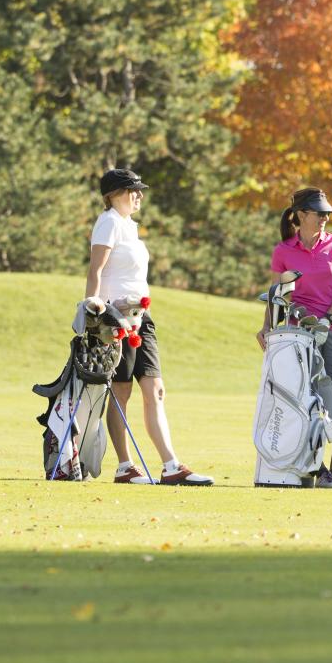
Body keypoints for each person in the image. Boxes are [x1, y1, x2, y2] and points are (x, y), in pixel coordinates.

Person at [87, 168, 214, 486]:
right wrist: (93, 308)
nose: (139, 195)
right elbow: (96, 270)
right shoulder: (109, 223)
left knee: (155, 390)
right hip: (115, 319)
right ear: (114, 194)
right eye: (133, 190)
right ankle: (125, 467)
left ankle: (171, 466)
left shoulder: (130, 226)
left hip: (142, 318)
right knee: (121, 391)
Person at [257, 188, 332, 489]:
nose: (325, 219)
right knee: (305, 404)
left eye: (327, 214)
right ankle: (320, 470)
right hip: (297, 335)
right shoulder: (283, 251)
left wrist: (327, 320)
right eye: (319, 213)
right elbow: (277, 295)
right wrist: (265, 327)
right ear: (301, 215)